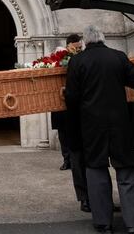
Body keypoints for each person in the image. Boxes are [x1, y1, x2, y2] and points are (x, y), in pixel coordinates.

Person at [66, 25, 134, 234]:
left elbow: (72, 98)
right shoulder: (118, 57)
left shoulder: (77, 61)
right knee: (126, 171)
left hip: (92, 126)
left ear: (86, 42)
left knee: (96, 171)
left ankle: (103, 224)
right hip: (120, 123)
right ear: (103, 39)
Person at [54, 34, 91, 212]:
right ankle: (85, 198)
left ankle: (94, 198)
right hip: (75, 119)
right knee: (79, 160)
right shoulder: (67, 60)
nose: (77, 49)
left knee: (92, 162)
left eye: (79, 46)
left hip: (86, 118)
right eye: (74, 47)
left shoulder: (81, 61)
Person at [51, 34, 83, 171]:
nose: (79, 49)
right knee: (63, 134)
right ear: (69, 45)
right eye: (77, 47)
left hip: (74, 102)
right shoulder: (60, 56)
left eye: (80, 47)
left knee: (76, 132)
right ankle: (67, 160)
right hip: (60, 102)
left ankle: (76, 160)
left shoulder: (82, 58)